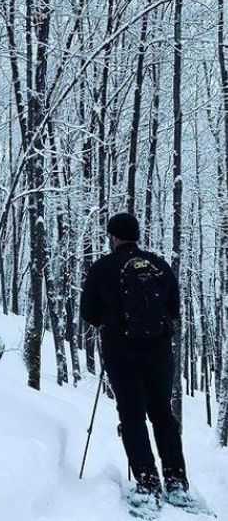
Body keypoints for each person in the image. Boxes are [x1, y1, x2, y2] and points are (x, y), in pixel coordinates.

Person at [80, 211, 192, 510]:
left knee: (132, 415)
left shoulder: (102, 267)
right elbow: (173, 310)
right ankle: (177, 481)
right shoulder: (160, 266)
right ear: (137, 235)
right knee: (162, 414)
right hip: (158, 351)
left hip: (121, 351)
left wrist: (110, 317)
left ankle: (147, 483)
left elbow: (88, 314)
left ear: (113, 236)